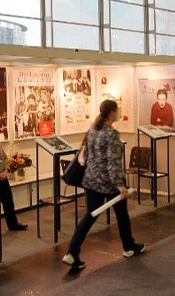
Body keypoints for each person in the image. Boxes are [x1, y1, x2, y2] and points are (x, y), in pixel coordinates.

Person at [63, 100, 145, 270]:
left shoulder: (93, 129)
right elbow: (113, 163)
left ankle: (72, 252)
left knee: (89, 216)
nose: (119, 112)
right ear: (111, 113)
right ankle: (129, 247)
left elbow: (87, 155)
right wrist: (120, 186)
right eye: (117, 110)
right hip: (108, 183)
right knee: (122, 214)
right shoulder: (111, 134)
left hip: (91, 180)